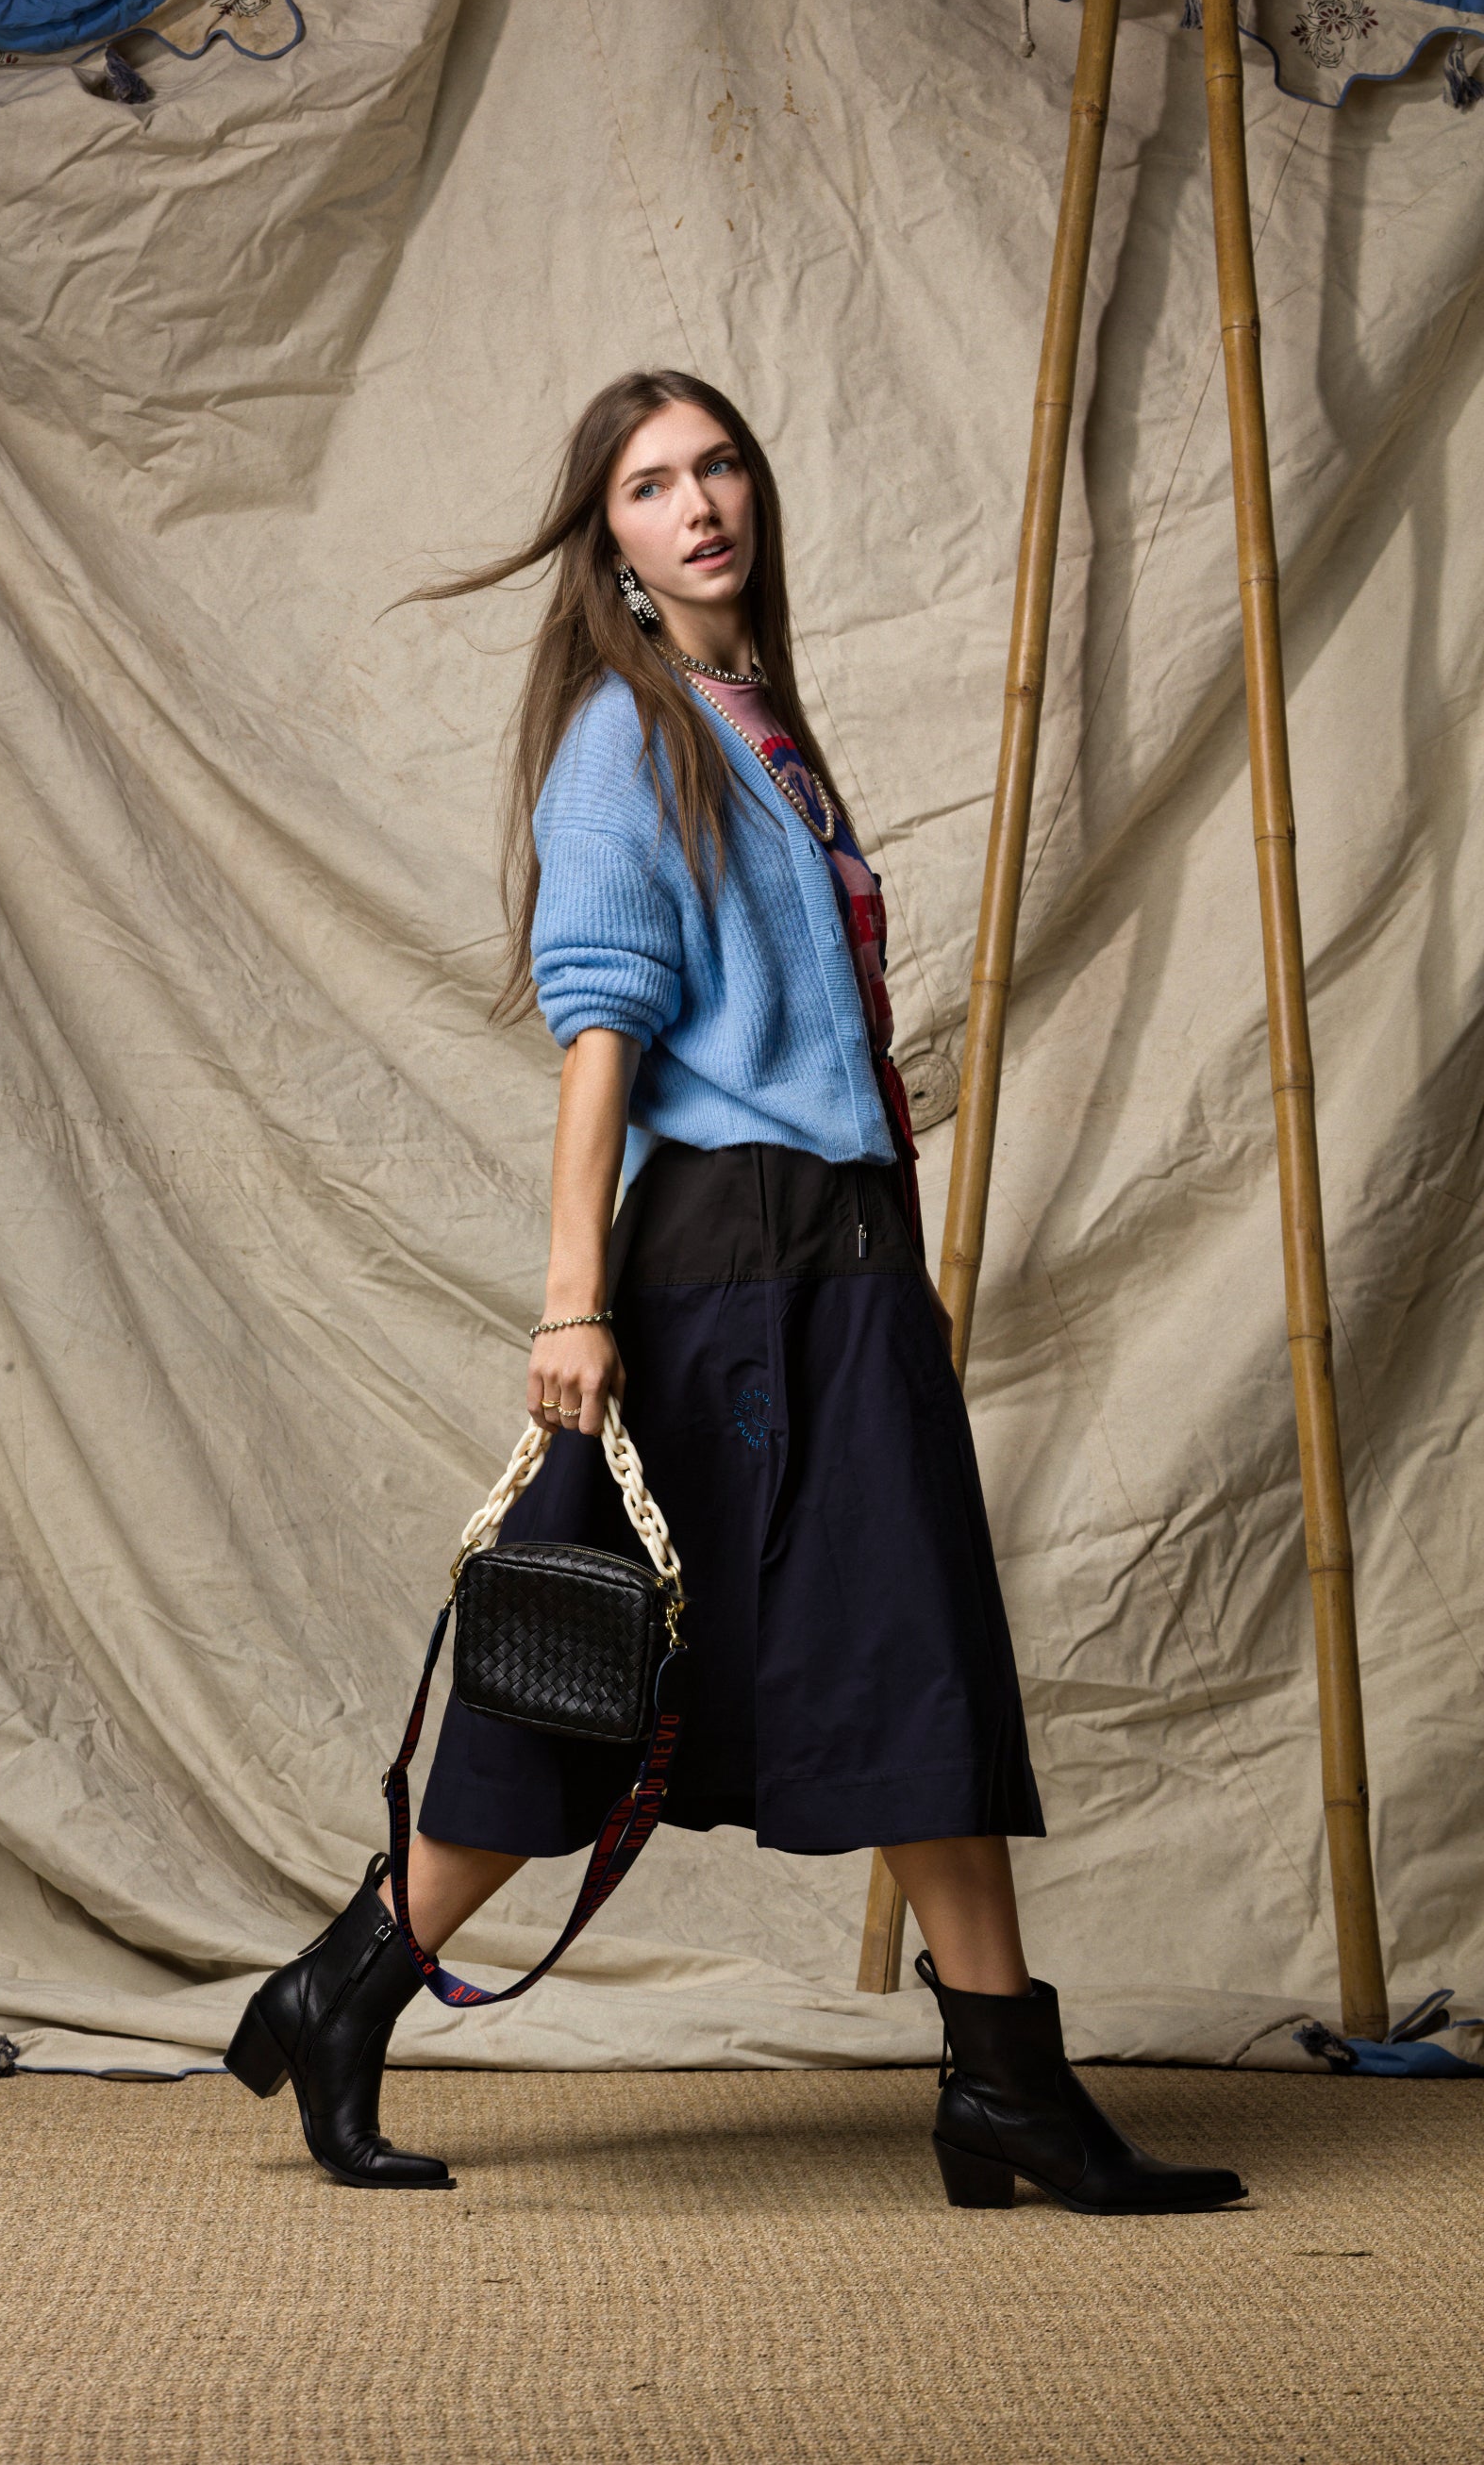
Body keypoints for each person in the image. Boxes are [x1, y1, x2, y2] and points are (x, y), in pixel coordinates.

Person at [226, 370, 1245, 2217]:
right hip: (724, 1271)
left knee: (905, 1645)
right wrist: (567, 1304)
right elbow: (598, 1034)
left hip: (834, 1249)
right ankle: (347, 1979)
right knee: (592, 1661)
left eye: (714, 466)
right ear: (605, 538)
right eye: (646, 483)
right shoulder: (632, 733)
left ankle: (1000, 2079)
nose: (695, 503)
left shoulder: (756, 718)